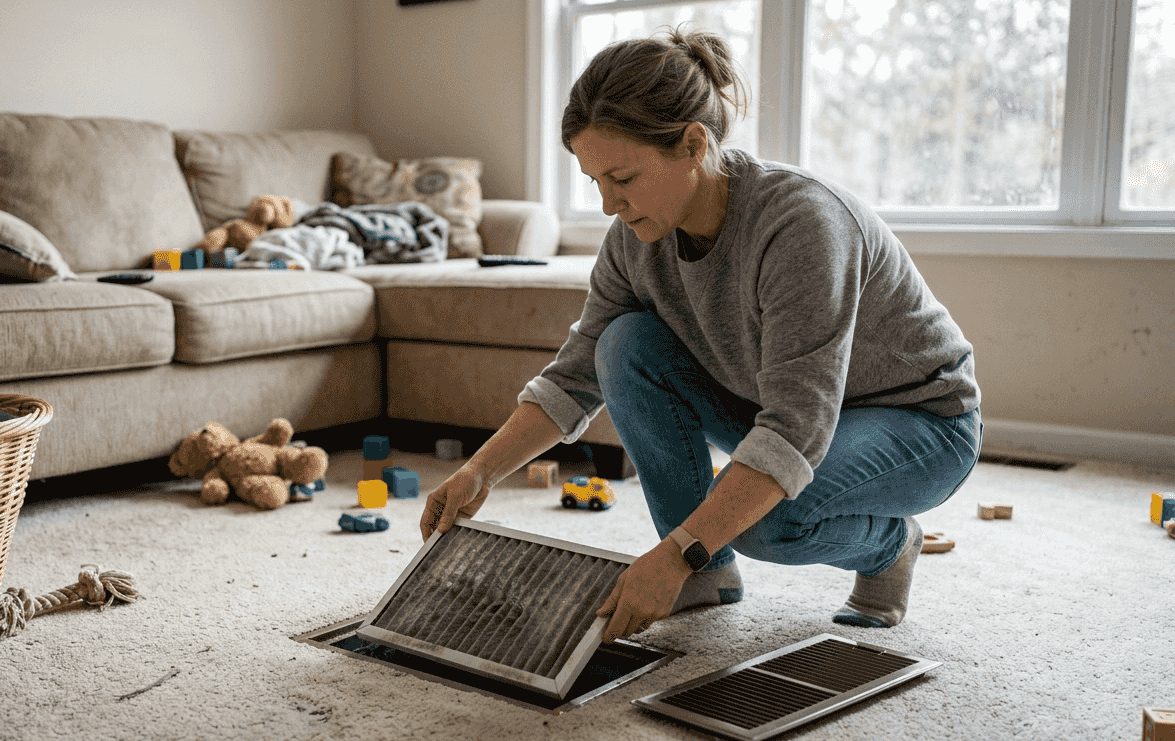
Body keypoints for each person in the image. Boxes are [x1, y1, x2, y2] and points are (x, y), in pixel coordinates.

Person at [419, 27, 981, 644]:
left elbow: (796, 428)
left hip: (920, 422)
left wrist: (674, 552)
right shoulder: (634, 239)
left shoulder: (802, 226)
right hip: (786, 410)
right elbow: (575, 375)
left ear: (693, 144)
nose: (609, 204)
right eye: (595, 182)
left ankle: (890, 546)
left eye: (624, 178)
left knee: (769, 522)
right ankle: (707, 574)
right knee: (623, 344)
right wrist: (479, 472)